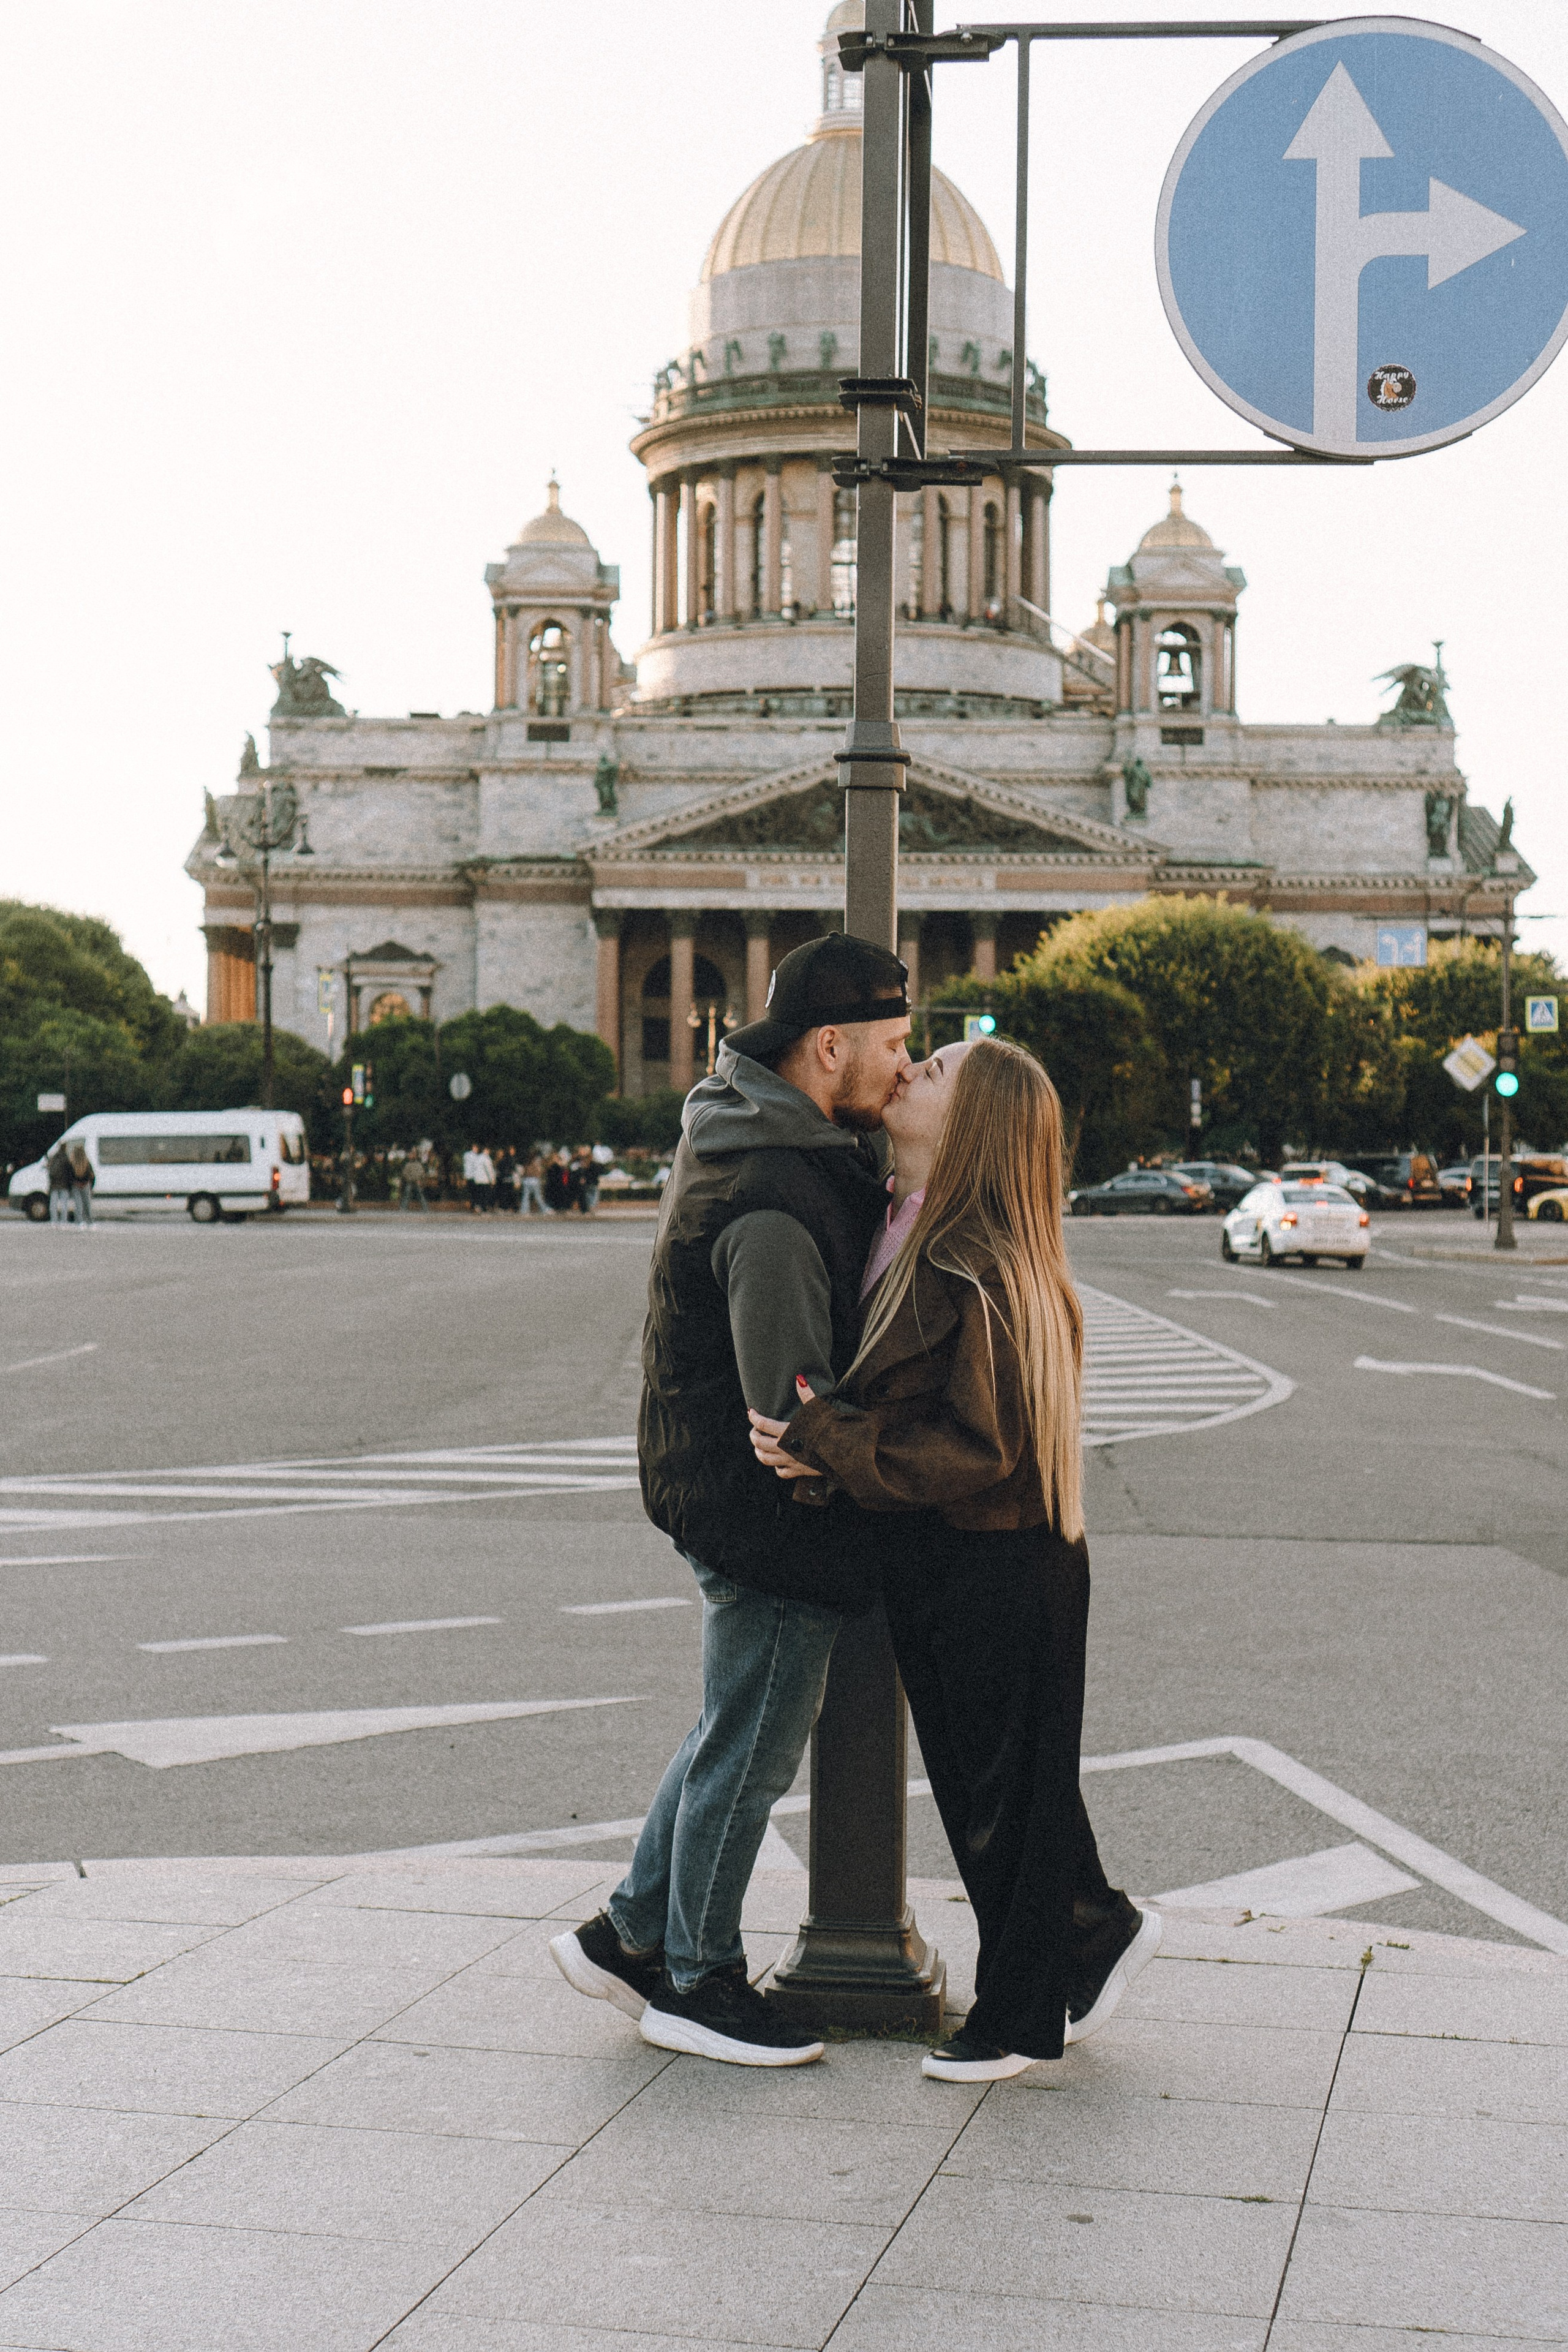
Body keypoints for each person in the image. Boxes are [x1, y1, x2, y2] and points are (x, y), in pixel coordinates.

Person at [749, 1036, 1160, 2082]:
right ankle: (1094, 1930)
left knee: (1003, 1802)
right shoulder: (918, 1227)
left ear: (971, 1122)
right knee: (1005, 1789)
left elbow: (982, 1447)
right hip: (950, 1555)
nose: (909, 1073)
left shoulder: (975, 1261)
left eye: (933, 1069)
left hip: (996, 1557)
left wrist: (829, 1444)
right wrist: (830, 1450)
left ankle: (1021, 2020)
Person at [551, 933, 913, 2068]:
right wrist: (827, 1444)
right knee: (752, 1748)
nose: (908, 1068)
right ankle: (697, 1980)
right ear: (830, 1045)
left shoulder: (763, 1136)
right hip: (762, 1515)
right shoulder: (774, 1193)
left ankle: (630, 1932)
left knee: (731, 1726)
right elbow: (789, 1405)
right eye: (896, 1047)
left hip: (714, 1491)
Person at [67, 1140, 94, 1226]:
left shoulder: (71, 1163)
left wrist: (75, 1183)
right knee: (87, 1204)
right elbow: (91, 1175)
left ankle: (79, 1222)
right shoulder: (86, 1162)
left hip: (75, 1186)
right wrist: (89, 1185)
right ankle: (89, 1221)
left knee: (78, 1205)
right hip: (86, 1185)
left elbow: (69, 1176)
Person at [47, 1142, 74, 1226]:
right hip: (64, 1185)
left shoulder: (54, 1158)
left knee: (53, 1204)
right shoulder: (66, 1158)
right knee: (64, 1204)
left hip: (54, 1184)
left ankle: (54, 1221)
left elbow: (50, 1172)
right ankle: (63, 1221)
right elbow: (69, 1172)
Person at [520, 1150, 548, 1216]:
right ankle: (544, 1209)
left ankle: (524, 1211)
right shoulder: (536, 1162)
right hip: (534, 1181)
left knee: (525, 1197)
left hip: (526, 1181)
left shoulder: (526, 1163)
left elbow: (524, 1172)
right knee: (538, 1197)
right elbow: (539, 1172)